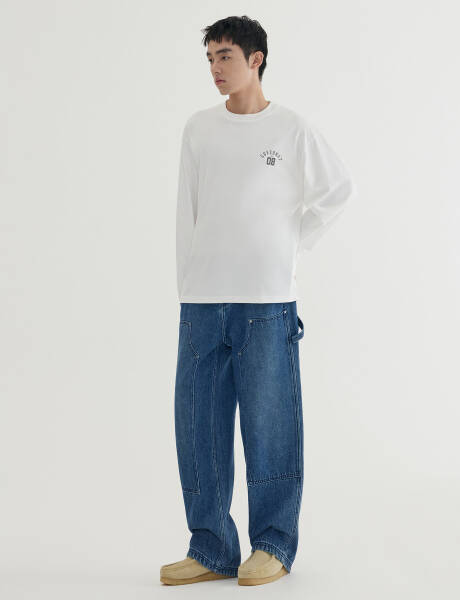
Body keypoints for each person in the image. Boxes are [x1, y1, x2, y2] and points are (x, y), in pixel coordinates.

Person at [160, 15, 355, 587]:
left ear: (256, 59)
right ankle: (211, 547)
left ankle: (273, 543)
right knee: (199, 428)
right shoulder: (199, 128)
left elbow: (338, 190)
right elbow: (187, 210)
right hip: (202, 300)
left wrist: (291, 246)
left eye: (225, 56)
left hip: (267, 302)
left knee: (271, 427)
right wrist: (188, 286)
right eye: (210, 59)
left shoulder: (291, 129)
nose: (216, 68)